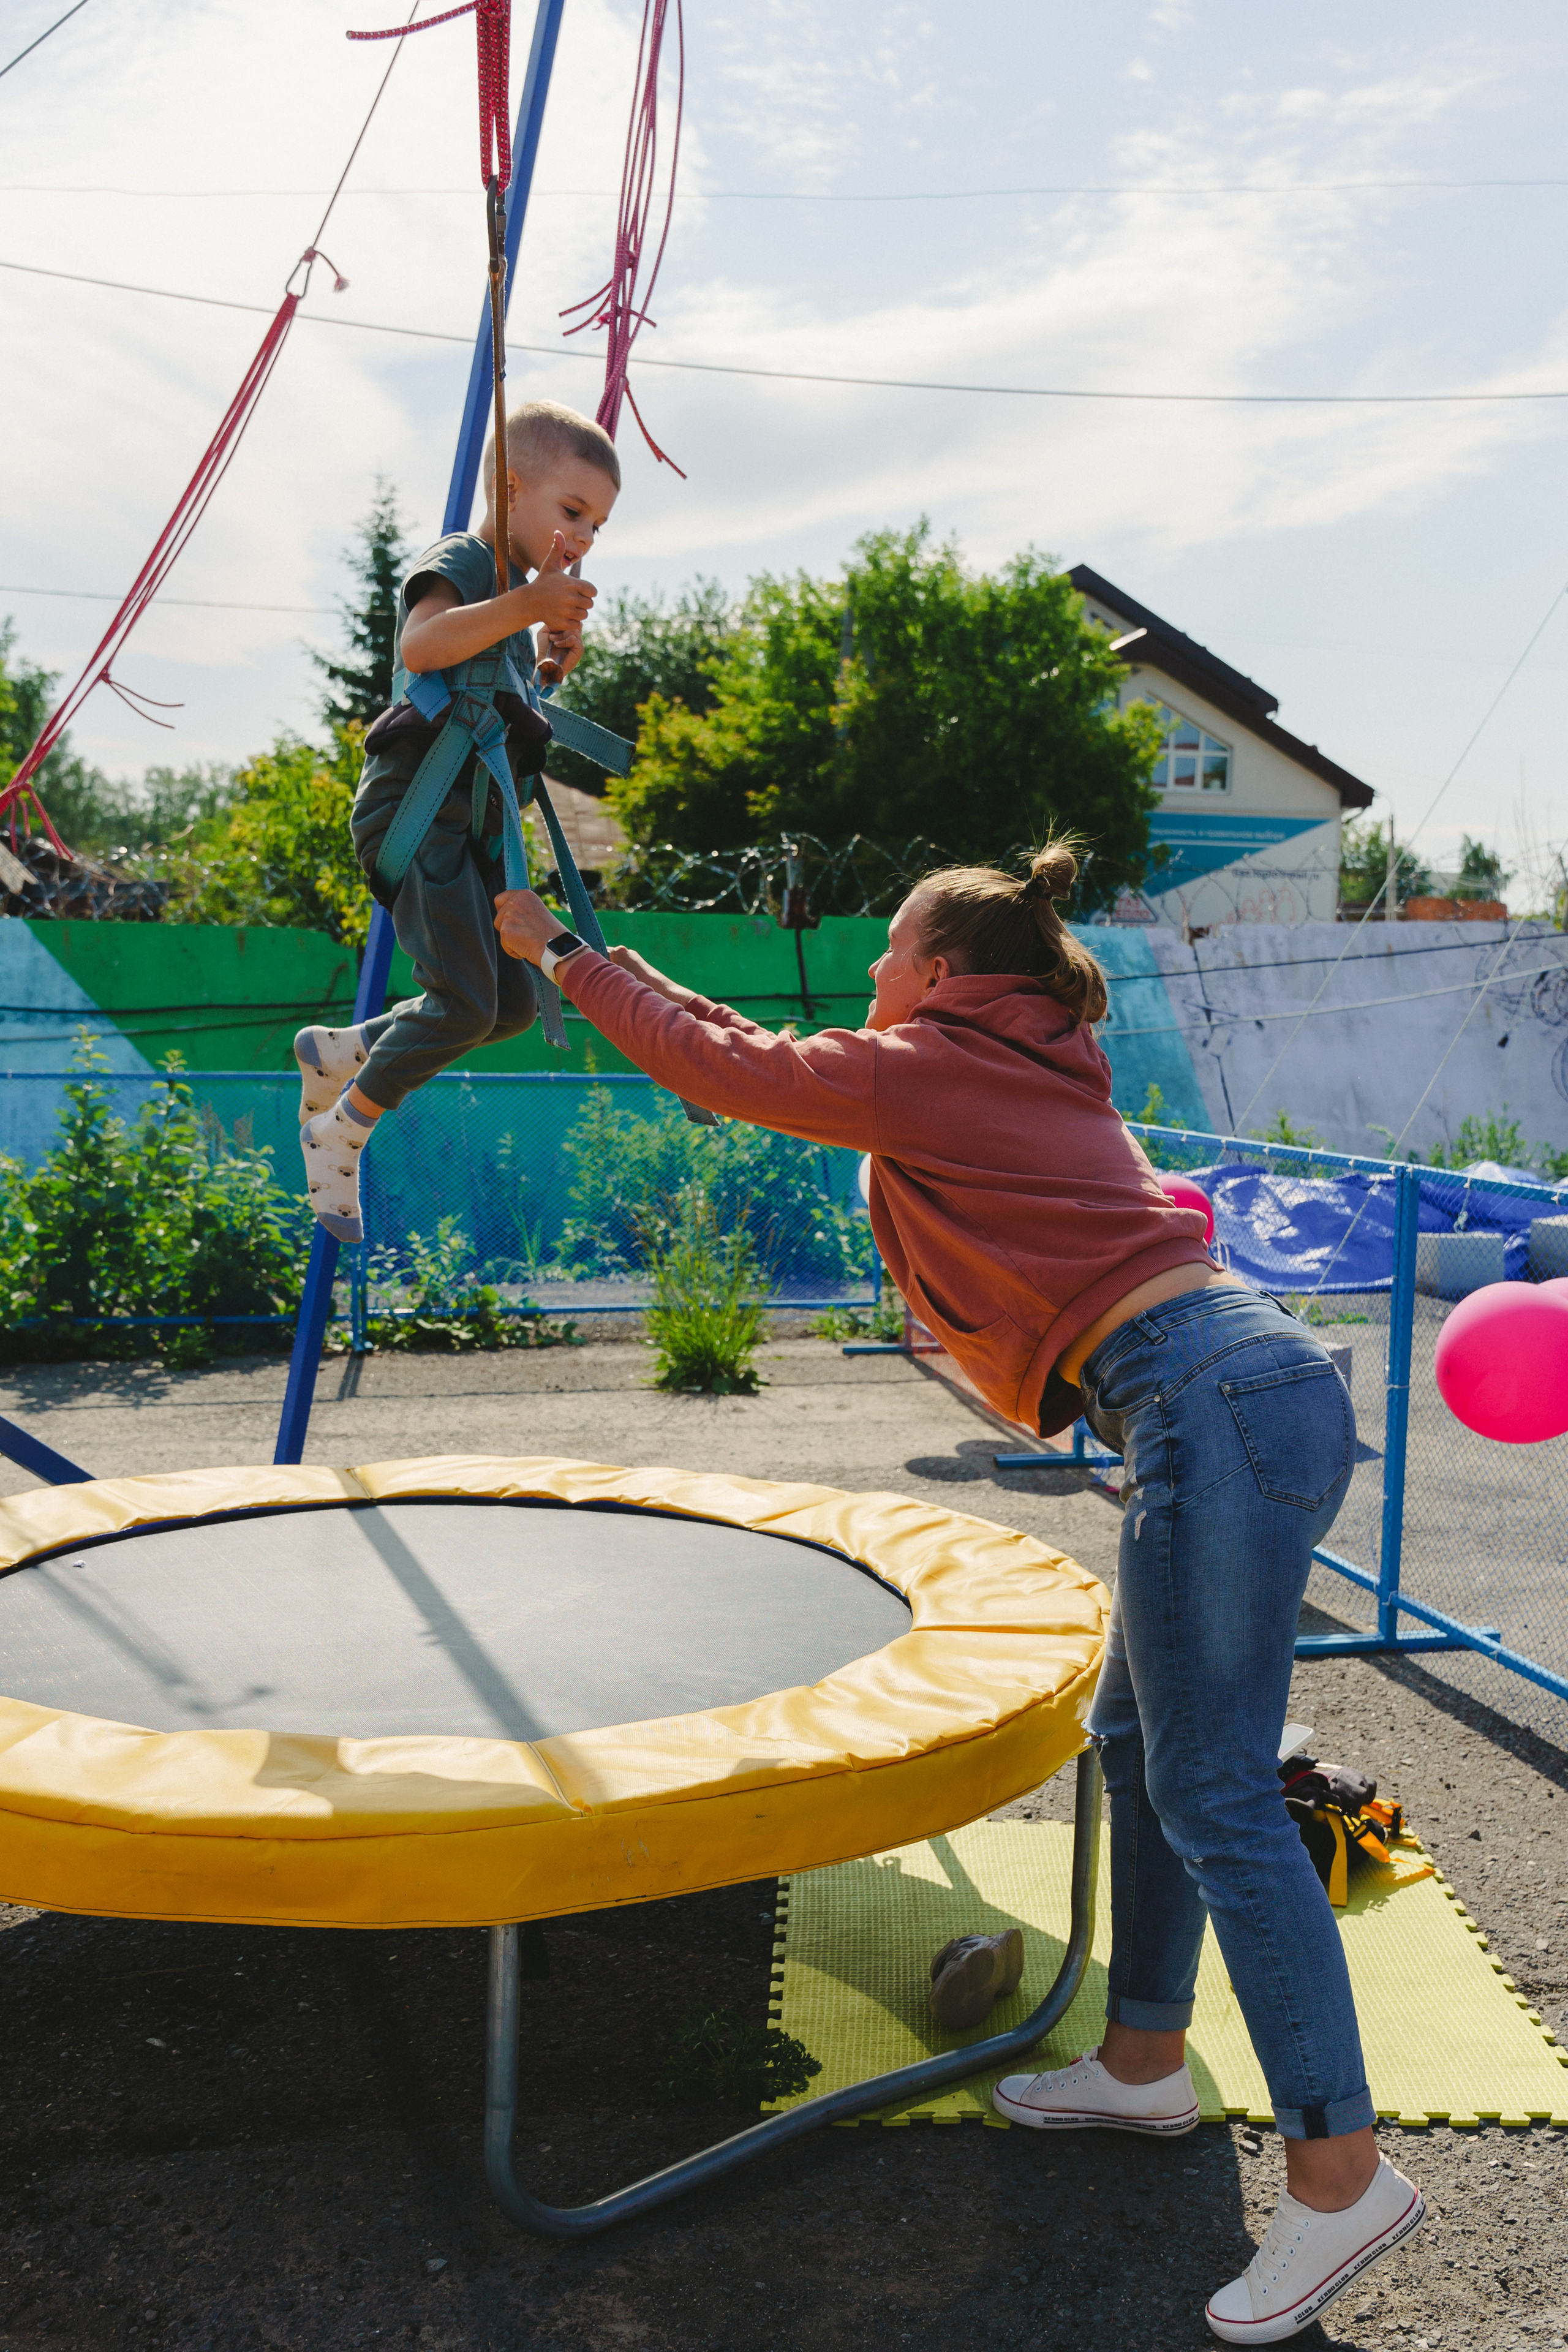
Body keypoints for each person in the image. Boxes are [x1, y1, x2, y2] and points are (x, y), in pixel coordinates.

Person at [492, 842, 1424, 2346]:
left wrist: (561, 955)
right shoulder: (1006, 1056)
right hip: (1218, 1394)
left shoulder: (931, 1061)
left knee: (1214, 1796)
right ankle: (1138, 2067)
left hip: (1212, 1399)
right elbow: (737, 1050)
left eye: (885, 955)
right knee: (1140, 1754)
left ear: (936, 969)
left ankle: (1339, 2175)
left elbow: (732, 1072)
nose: (868, 976)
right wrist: (611, 966)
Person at [293, 399, 618, 1242]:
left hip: (465, 828)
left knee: (506, 1006)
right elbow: (423, 649)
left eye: (598, 524)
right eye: (572, 511)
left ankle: (339, 1053)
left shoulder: (511, 602)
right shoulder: (469, 561)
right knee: (466, 1003)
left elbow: (485, 708)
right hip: (418, 816)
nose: (584, 536)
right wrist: (528, 606)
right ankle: (341, 1132)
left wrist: (544, 665)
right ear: (512, 491)